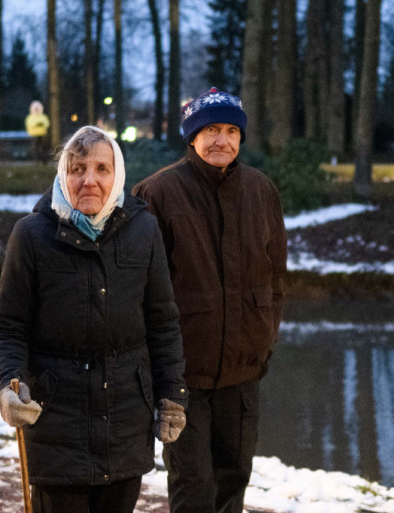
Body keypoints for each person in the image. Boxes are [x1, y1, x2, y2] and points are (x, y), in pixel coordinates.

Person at [0, 125, 188, 513]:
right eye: (78, 168)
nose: (89, 180)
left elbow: (163, 323)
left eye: (101, 168)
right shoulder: (30, 236)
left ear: (117, 176)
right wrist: (7, 385)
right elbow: (8, 327)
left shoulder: (144, 230)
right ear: (64, 174)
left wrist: (173, 396)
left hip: (126, 422)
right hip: (55, 424)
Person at [132, 88, 287, 513]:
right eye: (211, 130)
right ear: (192, 137)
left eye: (231, 130)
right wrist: (155, 368)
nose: (222, 140)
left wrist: (264, 339)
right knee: (194, 485)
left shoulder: (262, 191)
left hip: (243, 370)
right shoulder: (156, 193)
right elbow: (139, 289)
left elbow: (275, 277)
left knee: (234, 476)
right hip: (184, 375)